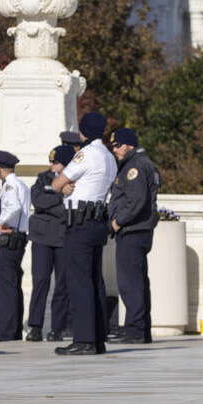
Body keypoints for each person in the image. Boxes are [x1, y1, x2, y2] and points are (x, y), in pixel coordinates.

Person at [51, 112, 117, 355]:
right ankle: (98, 338)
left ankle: (84, 340)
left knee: (79, 282)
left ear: (85, 131)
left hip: (80, 223)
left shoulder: (87, 153)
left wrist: (64, 185)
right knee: (94, 281)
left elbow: (58, 184)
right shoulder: (109, 156)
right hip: (97, 222)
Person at [107, 128, 161, 344]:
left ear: (129, 145)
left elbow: (136, 201)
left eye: (117, 145)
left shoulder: (135, 166)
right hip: (139, 230)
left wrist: (117, 222)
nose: (115, 150)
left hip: (132, 230)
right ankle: (141, 329)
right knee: (137, 281)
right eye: (113, 146)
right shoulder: (142, 163)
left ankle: (135, 331)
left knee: (130, 283)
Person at [25, 145, 74, 342]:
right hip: (42, 238)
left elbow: (69, 211)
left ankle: (57, 328)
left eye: (56, 162)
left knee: (62, 285)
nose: (51, 165)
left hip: (63, 238)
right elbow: (38, 201)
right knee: (41, 282)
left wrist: (52, 203)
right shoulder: (43, 178)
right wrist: (60, 194)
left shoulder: (76, 180)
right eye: (51, 161)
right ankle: (35, 327)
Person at [0, 150, 30, 342]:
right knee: (12, 288)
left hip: (7, 243)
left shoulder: (10, 186)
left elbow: (14, 208)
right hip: (15, 242)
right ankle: (13, 331)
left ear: (0, 168)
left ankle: (6, 333)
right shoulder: (20, 185)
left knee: (4, 291)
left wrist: (0, 225)